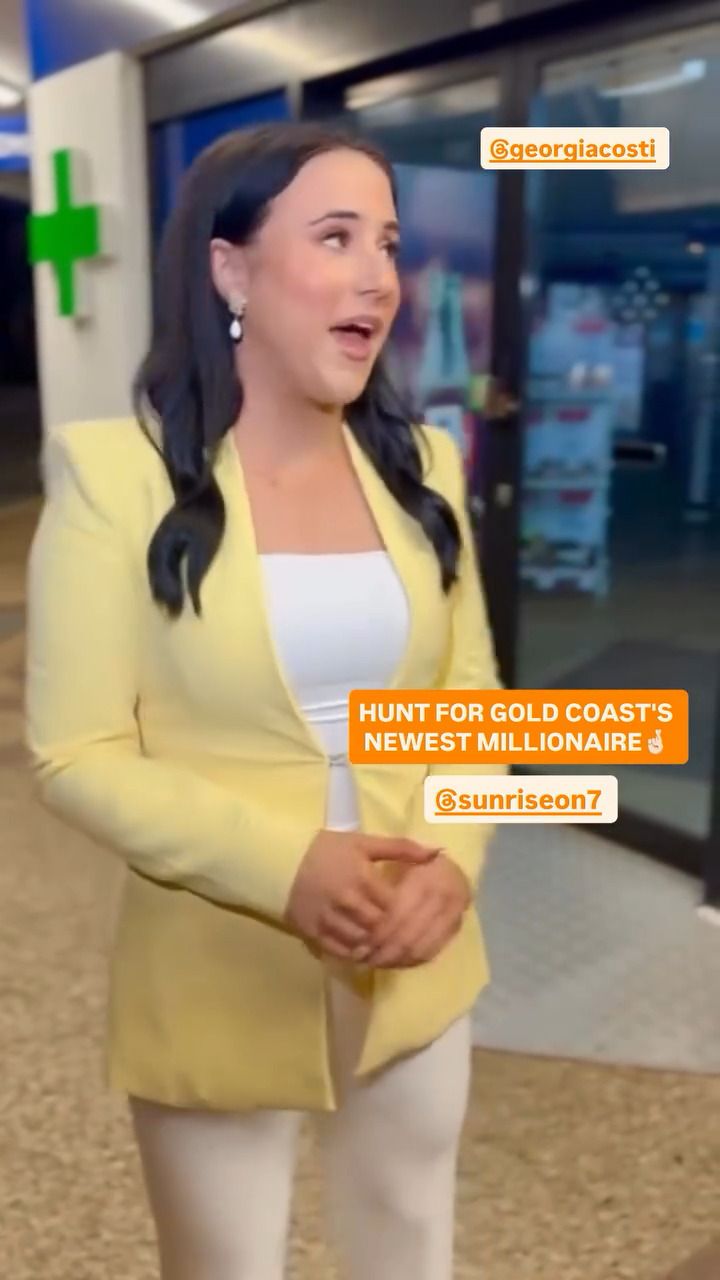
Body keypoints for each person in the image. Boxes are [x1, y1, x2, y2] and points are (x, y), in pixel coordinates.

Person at [24, 122, 505, 1280]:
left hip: (418, 953)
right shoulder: (116, 475)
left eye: (386, 242)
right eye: (336, 237)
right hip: (215, 961)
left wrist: (450, 864)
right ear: (230, 268)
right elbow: (76, 750)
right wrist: (288, 867)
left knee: (411, 1245)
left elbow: (473, 699)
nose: (379, 276)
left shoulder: (425, 467)